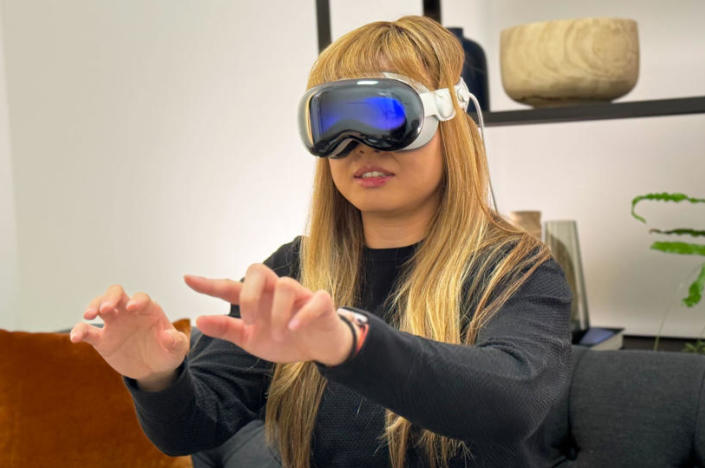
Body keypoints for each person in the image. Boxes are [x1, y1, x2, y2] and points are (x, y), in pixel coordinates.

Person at [70, 15, 572, 468]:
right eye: (334, 122)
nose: (357, 145)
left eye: (384, 114)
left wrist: (351, 343)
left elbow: (513, 399)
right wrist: (157, 377)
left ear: (448, 121)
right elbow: (191, 429)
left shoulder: (516, 269)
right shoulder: (295, 269)